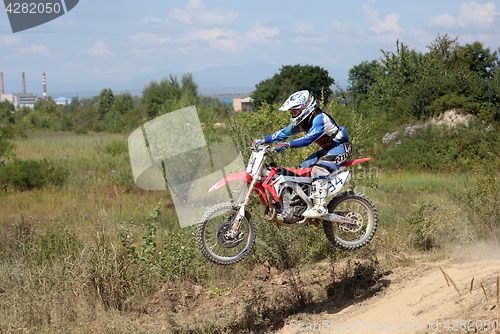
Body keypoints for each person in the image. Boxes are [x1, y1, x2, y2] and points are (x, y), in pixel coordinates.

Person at [253, 90, 352, 218]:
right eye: (292, 112)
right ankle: (304, 203)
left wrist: (288, 144)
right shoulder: (306, 121)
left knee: (318, 169)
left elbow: (308, 139)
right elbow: (284, 132)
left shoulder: (320, 119)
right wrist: (263, 140)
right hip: (327, 150)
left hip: (341, 148)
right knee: (302, 169)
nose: (293, 114)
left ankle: (320, 207)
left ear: (305, 107)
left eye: (295, 111)